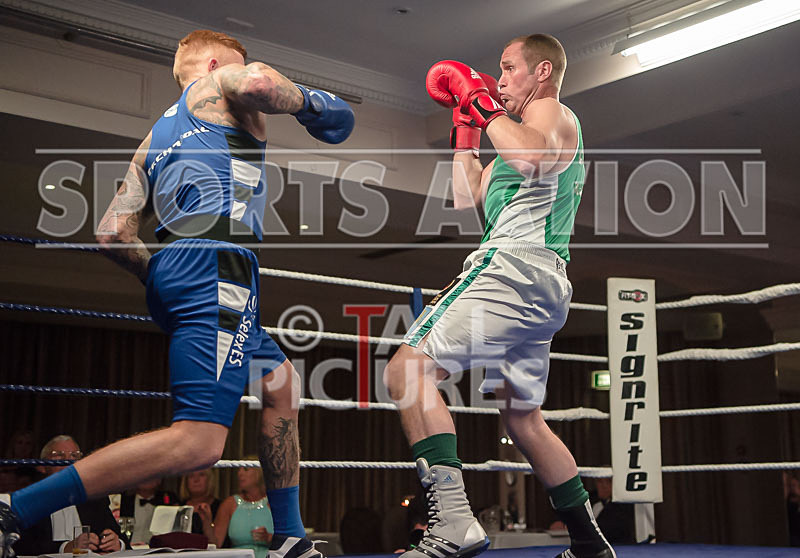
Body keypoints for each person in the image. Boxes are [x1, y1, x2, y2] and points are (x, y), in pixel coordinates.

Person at [0, 29, 354, 558]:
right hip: (216, 265)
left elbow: (111, 234)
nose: (244, 69)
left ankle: (289, 536)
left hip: (180, 269)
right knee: (199, 442)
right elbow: (259, 81)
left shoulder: (156, 136)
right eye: (236, 62)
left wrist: (164, 276)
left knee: (281, 387)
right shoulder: (219, 82)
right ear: (213, 63)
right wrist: (317, 106)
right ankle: (15, 508)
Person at [384, 34, 615, 558]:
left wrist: (483, 105)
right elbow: (465, 198)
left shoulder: (556, 116)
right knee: (523, 418)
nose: (500, 78)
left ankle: (454, 523)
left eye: (509, 68)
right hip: (539, 287)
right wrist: (466, 129)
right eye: (497, 72)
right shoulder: (514, 145)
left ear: (543, 73)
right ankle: (588, 544)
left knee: (406, 370)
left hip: (514, 268)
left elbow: (533, 154)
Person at [13, 436, 126, 556]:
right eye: (59, 455)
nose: (68, 462)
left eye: (74, 456)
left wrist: (118, 544)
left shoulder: (95, 498)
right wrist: (66, 547)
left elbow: (120, 538)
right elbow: (19, 546)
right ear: (42, 466)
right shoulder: (28, 499)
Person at [213, 463, 273, 558]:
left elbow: (289, 541)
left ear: (259, 473)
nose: (239, 473)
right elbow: (215, 544)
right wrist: (206, 521)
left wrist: (269, 537)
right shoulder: (229, 504)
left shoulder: (274, 503)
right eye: (239, 470)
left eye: (245, 469)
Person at [119, 479, 178, 545]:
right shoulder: (123, 501)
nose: (147, 478)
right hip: (128, 550)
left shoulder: (168, 500)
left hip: (157, 551)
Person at [180, 469, 221, 542]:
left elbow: (217, 545)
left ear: (209, 479)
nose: (196, 480)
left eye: (201, 475)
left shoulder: (220, 507)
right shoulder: (179, 508)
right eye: (191, 476)